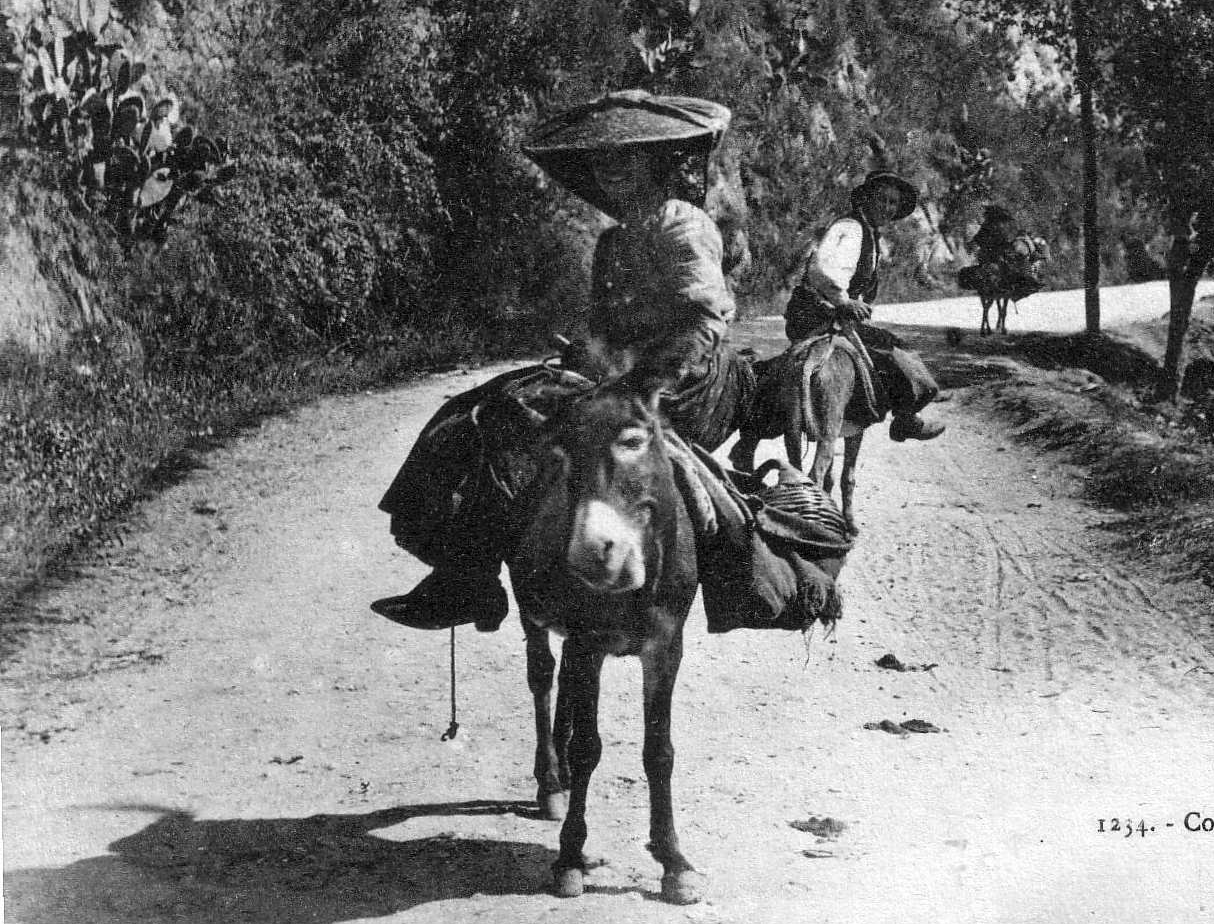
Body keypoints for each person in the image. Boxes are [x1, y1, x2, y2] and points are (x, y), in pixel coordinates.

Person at [370, 91, 744, 631]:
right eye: (600, 158)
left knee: (522, 420)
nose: (610, 169)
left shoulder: (679, 223)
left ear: (657, 160)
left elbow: (706, 320)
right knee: (482, 412)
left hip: (680, 379)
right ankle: (465, 575)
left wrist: (645, 383)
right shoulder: (615, 239)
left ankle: (472, 573)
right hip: (619, 373)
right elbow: (605, 327)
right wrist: (584, 354)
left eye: (626, 155)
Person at [783, 171, 945, 442]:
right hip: (816, 315)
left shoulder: (868, 234)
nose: (887, 207)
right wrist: (843, 301)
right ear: (867, 198)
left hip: (827, 314)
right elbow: (823, 268)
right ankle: (904, 418)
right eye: (881, 199)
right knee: (895, 351)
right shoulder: (851, 228)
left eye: (893, 203)